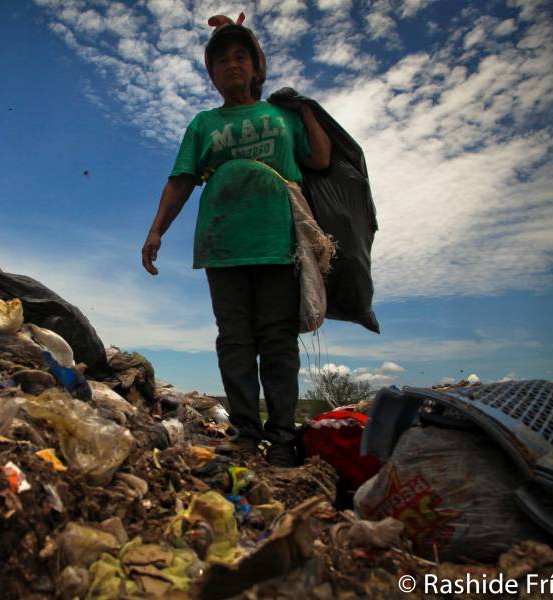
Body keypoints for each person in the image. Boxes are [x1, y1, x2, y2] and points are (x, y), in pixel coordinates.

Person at [141, 14, 331, 467]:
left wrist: (304, 107)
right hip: (222, 243)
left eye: (241, 56)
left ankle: (283, 436)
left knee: (278, 339)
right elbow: (181, 181)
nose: (232, 65)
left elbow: (320, 157)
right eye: (221, 60)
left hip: (278, 242)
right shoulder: (204, 124)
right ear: (211, 75)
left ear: (257, 67)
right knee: (234, 339)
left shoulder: (282, 116)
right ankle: (247, 433)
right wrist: (156, 230)